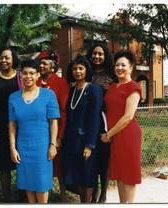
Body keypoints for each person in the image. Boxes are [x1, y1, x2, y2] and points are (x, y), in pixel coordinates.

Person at [8, 59, 60, 203]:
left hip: (42, 148)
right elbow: (12, 125)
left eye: (32, 73)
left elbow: (53, 122)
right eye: (25, 73)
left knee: (42, 185)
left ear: (38, 75)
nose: (28, 76)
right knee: (27, 184)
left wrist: (52, 145)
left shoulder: (48, 95)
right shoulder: (13, 98)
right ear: (20, 75)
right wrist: (13, 148)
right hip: (23, 147)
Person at [101, 50, 142, 203]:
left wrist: (108, 134)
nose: (119, 68)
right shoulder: (112, 87)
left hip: (127, 135)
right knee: (119, 173)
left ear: (131, 67)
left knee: (129, 175)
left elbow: (128, 117)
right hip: (114, 135)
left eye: (123, 65)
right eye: (117, 65)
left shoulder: (133, 87)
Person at [63, 55, 103, 203]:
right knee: (75, 176)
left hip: (86, 142)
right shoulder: (72, 90)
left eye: (81, 68)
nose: (77, 71)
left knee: (87, 176)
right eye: (75, 68)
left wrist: (90, 145)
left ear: (87, 70)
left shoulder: (94, 90)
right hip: (72, 142)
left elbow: (95, 119)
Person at [0, 46, 22, 202]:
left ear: (13, 58)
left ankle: (24, 195)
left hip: (22, 128)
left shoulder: (21, 78)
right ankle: (6, 198)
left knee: (23, 164)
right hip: (0, 128)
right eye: (1, 57)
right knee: (4, 166)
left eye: (7, 57)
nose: (3, 60)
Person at [35, 50, 69, 202]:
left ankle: (63, 195)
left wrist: (60, 136)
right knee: (41, 165)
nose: (41, 66)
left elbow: (63, 111)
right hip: (37, 132)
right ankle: (42, 196)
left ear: (53, 66)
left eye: (44, 63)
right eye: (40, 63)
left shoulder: (61, 83)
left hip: (54, 131)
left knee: (59, 165)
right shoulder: (35, 81)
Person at [86, 43, 115, 203]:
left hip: (104, 122)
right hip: (87, 122)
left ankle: (103, 194)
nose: (96, 57)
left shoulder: (111, 76)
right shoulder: (86, 72)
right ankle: (94, 192)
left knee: (103, 160)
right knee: (92, 161)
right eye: (94, 53)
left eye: (100, 54)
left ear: (105, 56)